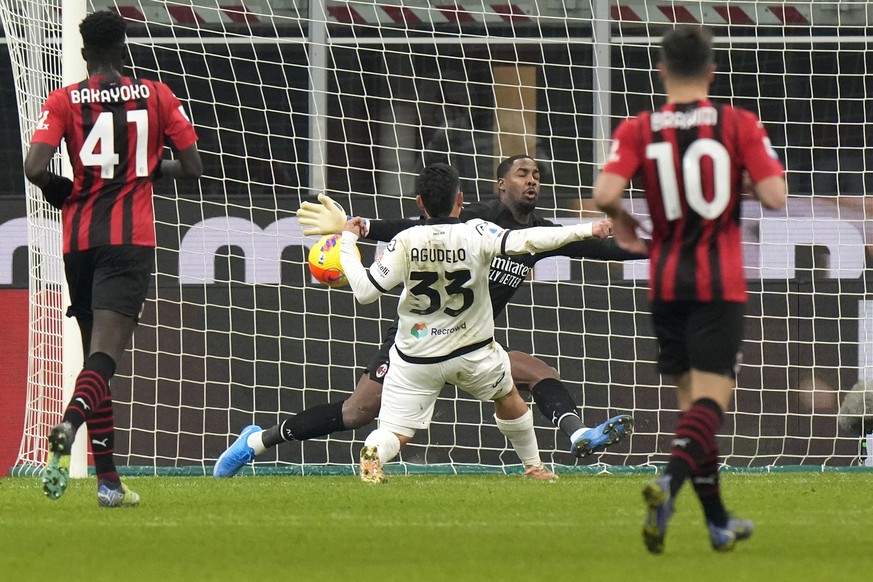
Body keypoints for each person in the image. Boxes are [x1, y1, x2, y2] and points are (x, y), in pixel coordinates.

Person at [214, 155, 644, 479]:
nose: (532, 180)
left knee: (532, 372)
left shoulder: (537, 233)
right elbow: (408, 226)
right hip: (421, 333)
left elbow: (598, 249)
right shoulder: (475, 222)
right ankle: (257, 440)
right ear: (499, 186)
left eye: (537, 175)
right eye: (522, 173)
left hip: (466, 341)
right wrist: (353, 225)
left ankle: (576, 435)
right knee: (357, 411)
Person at [592, 26, 787, 553]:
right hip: (717, 281)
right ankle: (668, 486)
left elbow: (604, 192)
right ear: (711, 72)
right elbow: (774, 195)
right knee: (713, 400)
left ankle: (719, 523)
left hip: (664, 279)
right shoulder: (737, 123)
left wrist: (626, 224)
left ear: (661, 71)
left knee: (691, 413)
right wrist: (744, 174)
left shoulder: (639, 128)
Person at [24, 10, 202, 507]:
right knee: (106, 358)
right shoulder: (156, 94)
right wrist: (147, 167)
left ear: (83, 54)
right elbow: (194, 166)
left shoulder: (63, 100)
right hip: (129, 240)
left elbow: (33, 166)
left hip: (79, 242)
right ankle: (67, 426)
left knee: (95, 361)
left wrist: (65, 191)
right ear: (124, 49)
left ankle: (108, 483)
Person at [343, 163, 602, 481]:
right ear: (460, 200)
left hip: (416, 356)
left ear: (420, 202)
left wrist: (346, 243)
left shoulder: (405, 240)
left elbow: (365, 291)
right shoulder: (478, 232)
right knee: (509, 397)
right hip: (472, 352)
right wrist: (587, 229)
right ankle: (534, 467)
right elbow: (530, 240)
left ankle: (374, 454)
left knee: (395, 432)